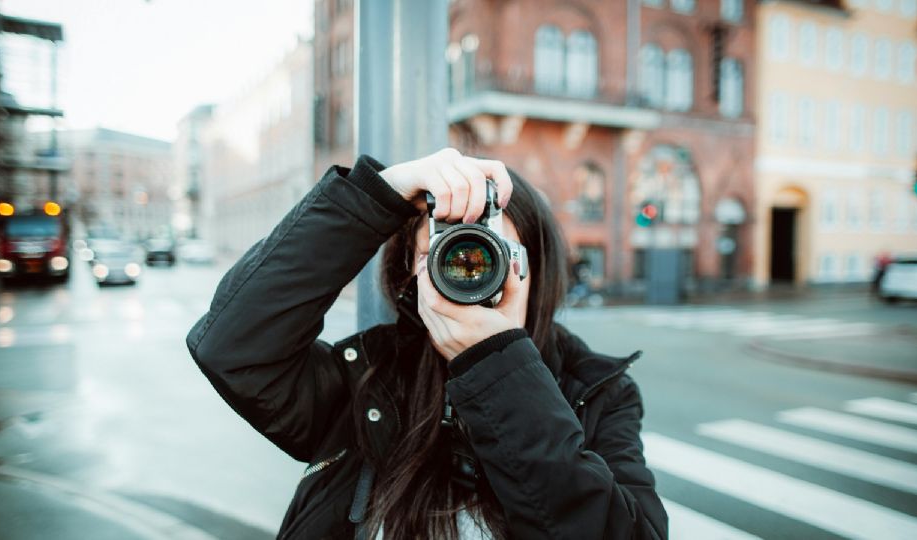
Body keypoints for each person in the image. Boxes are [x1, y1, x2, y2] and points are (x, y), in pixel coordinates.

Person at [186, 149, 667, 539]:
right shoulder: (368, 377)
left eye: (490, 253)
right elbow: (235, 347)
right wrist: (379, 193)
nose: (471, 272)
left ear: (531, 270)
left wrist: (500, 364)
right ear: (410, 273)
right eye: (446, 254)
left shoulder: (601, 394)